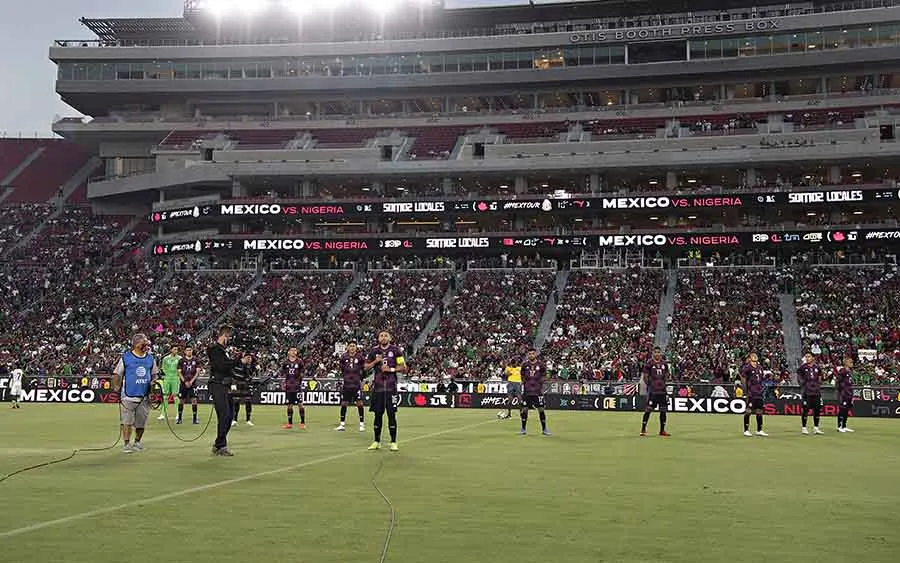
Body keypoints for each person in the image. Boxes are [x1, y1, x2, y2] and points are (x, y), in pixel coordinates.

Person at [207, 325, 251, 456]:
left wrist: (242, 364)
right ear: (224, 336)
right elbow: (221, 366)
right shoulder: (214, 349)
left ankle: (219, 444)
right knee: (224, 415)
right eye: (229, 337)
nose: (230, 340)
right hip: (217, 385)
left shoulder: (223, 350)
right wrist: (238, 361)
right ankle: (221, 446)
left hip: (225, 385)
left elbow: (228, 367)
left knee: (229, 415)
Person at [112, 333, 159, 454]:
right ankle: (127, 444)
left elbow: (154, 374)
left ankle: (137, 442)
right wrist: (116, 387)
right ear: (136, 344)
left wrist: (154, 383)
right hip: (128, 395)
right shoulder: (126, 357)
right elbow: (117, 374)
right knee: (126, 421)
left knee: (141, 422)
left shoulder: (150, 358)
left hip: (144, 396)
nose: (147, 346)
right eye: (144, 343)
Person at [365, 331, 407, 451]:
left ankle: (393, 442)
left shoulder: (396, 350)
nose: (383, 337)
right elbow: (365, 367)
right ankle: (376, 441)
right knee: (377, 415)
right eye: (381, 336)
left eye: (386, 335)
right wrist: (375, 362)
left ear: (390, 338)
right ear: (378, 338)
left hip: (390, 387)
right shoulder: (374, 351)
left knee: (391, 414)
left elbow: (404, 367)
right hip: (378, 388)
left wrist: (391, 369)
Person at [640, 346, 671, 437]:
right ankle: (643, 429)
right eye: (656, 352)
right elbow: (645, 376)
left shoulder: (664, 363)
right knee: (648, 410)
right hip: (653, 391)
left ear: (661, 353)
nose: (657, 354)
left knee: (663, 411)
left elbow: (666, 374)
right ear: (653, 353)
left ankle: (662, 430)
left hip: (662, 391)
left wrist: (664, 382)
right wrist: (649, 385)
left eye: (659, 352)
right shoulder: (649, 363)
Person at [335, 341, 365, 432]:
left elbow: (364, 369)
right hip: (347, 384)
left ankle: (362, 424)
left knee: (359, 403)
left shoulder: (360, 357)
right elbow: (341, 368)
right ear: (348, 347)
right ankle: (342, 424)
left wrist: (362, 380)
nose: (352, 348)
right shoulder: (344, 357)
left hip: (356, 384)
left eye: (353, 346)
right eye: (350, 346)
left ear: (356, 347)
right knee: (344, 403)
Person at [520, 348, 550, 436]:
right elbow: (521, 374)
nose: (531, 355)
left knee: (541, 409)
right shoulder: (525, 365)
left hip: (537, 391)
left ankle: (544, 429)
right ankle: (523, 429)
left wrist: (541, 381)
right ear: (528, 355)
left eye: (533, 354)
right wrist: (524, 382)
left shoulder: (541, 365)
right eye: (529, 354)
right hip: (527, 391)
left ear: (535, 354)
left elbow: (545, 374)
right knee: (524, 410)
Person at [740, 352, 768, 437]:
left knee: (759, 411)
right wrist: (746, 389)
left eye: (756, 355)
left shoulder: (760, 368)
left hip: (759, 393)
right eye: (752, 355)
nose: (754, 356)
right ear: (749, 358)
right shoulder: (747, 367)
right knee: (748, 411)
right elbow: (743, 376)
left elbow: (761, 378)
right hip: (751, 393)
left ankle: (759, 430)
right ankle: (746, 430)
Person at [797, 351, 824, 435]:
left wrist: (818, 384)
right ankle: (804, 428)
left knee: (817, 410)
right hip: (807, 392)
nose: (807, 358)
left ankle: (816, 428)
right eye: (806, 357)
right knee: (805, 410)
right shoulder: (802, 367)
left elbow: (820, 378)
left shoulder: (817, 367)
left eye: (809, 356)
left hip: (816, 392)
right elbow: (799, 377)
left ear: (813, 358)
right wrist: (802, 384)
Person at [282, 347, 305, 429]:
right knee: (289, 405)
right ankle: (290, 423)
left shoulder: (299, 361)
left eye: (295, 350)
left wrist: (299, 381)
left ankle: (302, 423)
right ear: (288, 352)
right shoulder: (285, 362)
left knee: (300, 405)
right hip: (289, 387)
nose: (293, 352)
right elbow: (284, 372)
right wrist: (285, 383)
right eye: (292, 350)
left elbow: (302, 372)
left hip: (297, 386)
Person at [176, 345, 200, 425]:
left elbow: (197, 372)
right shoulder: (181, 360)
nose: (189, 351)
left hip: (193, 384)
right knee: (181, 400)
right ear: (185, 351)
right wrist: (185, 382)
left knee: (194, 400)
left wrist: (191, 381)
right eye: (187, 350)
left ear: (192, 350)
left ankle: (195, 419)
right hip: (183, 384)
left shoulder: (196, 360)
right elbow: (179, 372)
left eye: (190, 350)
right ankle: (179, 418)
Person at [158, 345, 181, 421]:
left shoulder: (180, 358)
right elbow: (163, 368)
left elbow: (181, 369)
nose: (176, 351)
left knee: (175, 396)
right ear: (171, 350)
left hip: (176, 378)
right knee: (165, 396)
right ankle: (162, 414)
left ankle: (178, 414)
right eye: (174, 349)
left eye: (177, 349)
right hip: (167, 378)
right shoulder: (165, 358)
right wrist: (167, 374)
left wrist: (177, 375)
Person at [835, 354, 855, 433]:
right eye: (850, 362)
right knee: (842, 409)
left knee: (846, 410)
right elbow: (838, 382)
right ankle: (839, 426)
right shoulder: (842, 371)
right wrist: (840, 392)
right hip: (843, 394)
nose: (852, 363)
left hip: (849, 393)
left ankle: (844, 426)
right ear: (846, 363)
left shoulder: (849, 372)